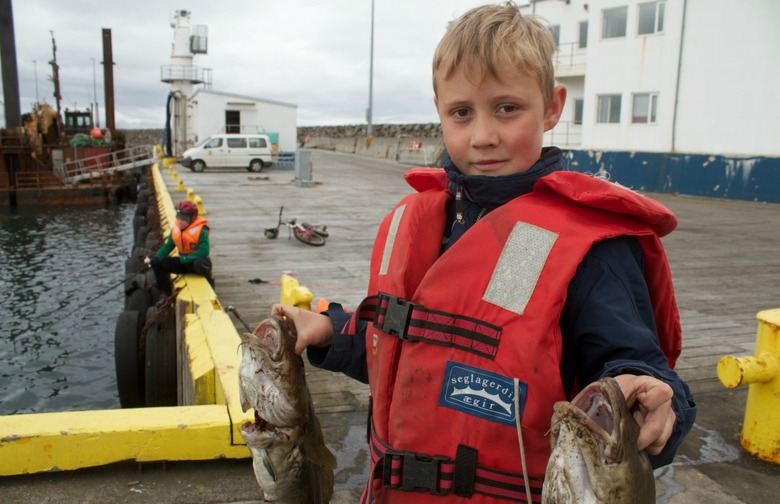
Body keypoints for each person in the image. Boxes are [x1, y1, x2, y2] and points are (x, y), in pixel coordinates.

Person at [273, 3, 696, 502]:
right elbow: (408, 354)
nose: (483, 136)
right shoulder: (424, 223)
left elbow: (636, 369)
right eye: (461, 112)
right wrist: (328, 329)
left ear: (553, 106)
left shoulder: (586, 249)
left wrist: (649, 396)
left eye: (507, 108)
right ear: (439, 112)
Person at [147, 200, 213, 297]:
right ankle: (166, 293)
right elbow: (168, 246)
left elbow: (204, 251)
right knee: (158, 264)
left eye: (184, 219)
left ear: (192, 218)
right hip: (183, 262)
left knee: (199, 264)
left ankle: (209, 281)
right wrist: (156, 257)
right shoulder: (176, 229)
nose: (180, 222)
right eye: (178, 218)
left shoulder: (201, 230)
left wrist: (185, 259)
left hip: (195, 261)